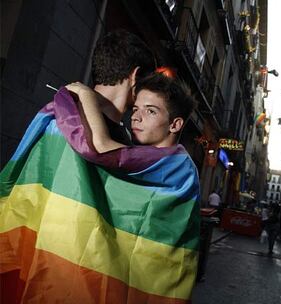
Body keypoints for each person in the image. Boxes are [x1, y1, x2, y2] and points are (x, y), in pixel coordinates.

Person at [0, 31, 200, 303]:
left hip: (35, 280)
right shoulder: (132, 150)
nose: (138, 115)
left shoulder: (55, 121)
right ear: (135, 76)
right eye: (141, 106)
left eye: (150, 110)